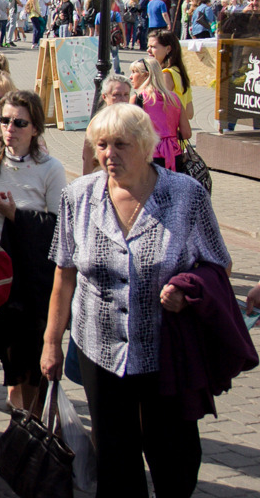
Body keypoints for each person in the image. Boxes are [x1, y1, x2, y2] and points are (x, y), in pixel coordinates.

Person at [41, 102, 231, 498]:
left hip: (166, 349)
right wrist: (50, 342)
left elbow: (219, 264)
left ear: (146, 147)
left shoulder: (185, 195)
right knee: (114, 454)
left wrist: (186, 288)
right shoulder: (79, 195)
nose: (109, 155)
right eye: (102, 145)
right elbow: (63, 274)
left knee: (174, 453)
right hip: (101, 347)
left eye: (121, 145)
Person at [0, 90, 66, 411]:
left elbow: (58, 227)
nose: (10, 127)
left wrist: (18, 216)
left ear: (36, 128)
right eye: (5, 120)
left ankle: (33, 435)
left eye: (20, 122)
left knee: (27, 369)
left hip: (27, 283)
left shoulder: (50, 169)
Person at [129, 56, 190, 171]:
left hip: (149, 156)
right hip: (174, 156)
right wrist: (169, 134)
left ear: (146, 75)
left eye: (134, 72)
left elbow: (130, 133)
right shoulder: (174, 98)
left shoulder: (138, 99)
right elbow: (186, 133)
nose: (130, 77)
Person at [82, 73, 133, 174]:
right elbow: (88, 159)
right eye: (116, 95)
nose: (123, 99)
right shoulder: (98, 123)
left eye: (126, 95)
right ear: (105, 96)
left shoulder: (134, 120)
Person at [147, 29, 193, 123]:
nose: (148, 50)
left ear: (168, 49)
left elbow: (160, 110)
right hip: (176, 134)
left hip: (165, 135)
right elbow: (189, 113)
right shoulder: (179, 72)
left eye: (153, 47)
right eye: (148, 46)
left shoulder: (165, 75)